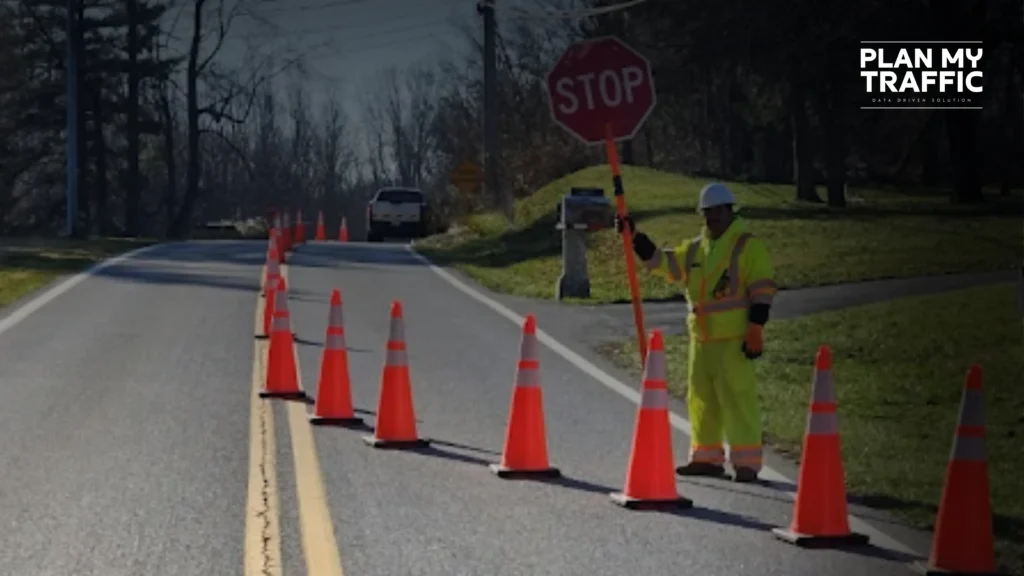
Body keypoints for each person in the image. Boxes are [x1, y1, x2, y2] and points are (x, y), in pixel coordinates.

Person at [616, 182, 777, 483]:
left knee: (738, 400)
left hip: (733, 341)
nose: (711, 217)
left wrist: (756, 328)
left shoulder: (747, 246)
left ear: (730, 210)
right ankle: (706, 458)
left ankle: (746, 464)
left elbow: (762, 289)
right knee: (701, 401)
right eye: (706, 212)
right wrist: (635, 238)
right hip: (701, 341)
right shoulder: (695, 249)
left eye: (717, 211)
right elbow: (664, 264)